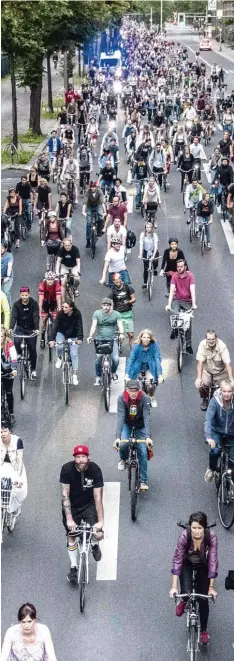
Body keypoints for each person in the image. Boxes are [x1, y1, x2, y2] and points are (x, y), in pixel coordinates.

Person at [169, 511, 218, 646]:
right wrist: (174, 587)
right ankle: (184, 601)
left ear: (205, 528)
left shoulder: (211, 537)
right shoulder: (184, 536)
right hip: (187, 563)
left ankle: (203, 631)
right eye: (194, 528)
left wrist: (211, 587)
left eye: (200, 528)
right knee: (186, 589)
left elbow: (213, 562)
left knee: (203, 599)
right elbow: (177, 560)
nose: (197, 532)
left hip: (203, 564)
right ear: (190, 527)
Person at [59, 445, 104, 583]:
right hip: (73, 505)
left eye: (83, 457)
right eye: (78, 457)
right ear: (74, 459)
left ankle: (95, 544)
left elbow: (98, 497)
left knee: (97, 533)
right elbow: (65, 495)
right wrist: (69, 519)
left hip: (89, 504)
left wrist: (100, 521)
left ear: (88, 457)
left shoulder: (95, 470)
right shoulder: (66, 469)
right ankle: (74, 567)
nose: (80, 460)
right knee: (71, 534)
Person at [113, 379, 153, 491]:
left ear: (139, 390)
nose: (134, 393)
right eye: (131, 390)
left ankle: (143, 481)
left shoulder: (145, 398)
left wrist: (148, 437)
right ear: (127, 390)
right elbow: (120, 417)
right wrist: (117, 438)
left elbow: (147, 417)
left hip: (141, 425)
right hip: (127, 424)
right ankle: (124, 459)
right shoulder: (121, 398)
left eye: (136, 390)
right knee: (123, 445)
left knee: (143, 451)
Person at [87, 297, 124, 386]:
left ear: (111, 306)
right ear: (101, 306)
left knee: (115, 359)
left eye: (108, 305)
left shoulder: (117, 314)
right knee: (98, 358)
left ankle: (114, 373)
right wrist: (90, 336)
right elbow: (93, 326)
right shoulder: (97, 313)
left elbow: (120, 325)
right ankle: (98, 377)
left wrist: (122, 333)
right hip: (100, 339)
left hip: (112, 339)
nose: (106, 307)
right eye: (104, 305)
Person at [204, 380, 234, 482]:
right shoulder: (214, 402)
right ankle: (211, 468)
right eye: (224, 391)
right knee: (215, 450)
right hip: (217, 431)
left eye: (229, 391)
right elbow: (208, 420)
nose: (226, 394)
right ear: (221, 391)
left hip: (232, 433)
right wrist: (208, 437)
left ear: (232, 391)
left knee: (232, 462)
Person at [195, 330, 233, 410]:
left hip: (221, 373)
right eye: (209, 339)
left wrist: (231, 379)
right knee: (201, 386)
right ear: (206, 339)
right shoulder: (202, 345)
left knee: (227, 389)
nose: (211, 341)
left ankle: (228, 404)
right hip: (207, 372)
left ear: (216, 338)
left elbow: (228, 364)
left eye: (213, 339)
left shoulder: (222, 346)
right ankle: (204, 398)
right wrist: (199, 378)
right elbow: (200, 362)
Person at [125, 329, 163, 407]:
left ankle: (152, 397)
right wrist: (126, 374)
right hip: (137, 370)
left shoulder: (154, 346)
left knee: (151, 385)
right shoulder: (136, 347)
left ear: (150, 339)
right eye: (144, 337)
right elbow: (130, 360)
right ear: (141, 338)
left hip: (150, 369)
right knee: (137, 387)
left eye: (148, 337)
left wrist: (160, 375)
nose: (146, 339)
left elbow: (157, 360)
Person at [166, 259, 197, 352]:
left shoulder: (190, 276)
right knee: (174, 313)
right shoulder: (175, 276)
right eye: (178, 267)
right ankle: (175, 329)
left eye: (181, 266)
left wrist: (194, 304)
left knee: (188, 323)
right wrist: (168, 304)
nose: (179, 268)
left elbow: (192, 290)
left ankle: (188, 344)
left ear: (185, 267)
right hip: (177, 300)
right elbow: (171, 291)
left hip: (188, 302)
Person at [50, 300, 83, 386]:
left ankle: (75, 375)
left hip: (73, 335)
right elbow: (55, 326)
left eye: (66, 307)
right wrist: (52, 339)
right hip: (61, 333)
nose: (64, 309)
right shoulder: (60, 314)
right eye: (63, 307)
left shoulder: (77, 313)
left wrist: (80, 338)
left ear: (71, 308)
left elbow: (79, 325)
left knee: (74, 354)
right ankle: (60, 358)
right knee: (59, 346)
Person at [10, 287, 39, 380]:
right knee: (17, 342)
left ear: (29, 295)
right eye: (22, 295)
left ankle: (33, 369)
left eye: (26, 295)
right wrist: (11, 328)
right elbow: (13, 317)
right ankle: (19, 354)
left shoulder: (34, 304)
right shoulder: (16, 305)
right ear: (20, 295)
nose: (24, 297)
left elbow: (36, 316)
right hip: (20, 328)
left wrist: (37, 328)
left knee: (32, 349)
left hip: (31, 329)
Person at [1, 420, 27, 520]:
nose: (3, 434)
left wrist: (18, 477)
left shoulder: (18, 441)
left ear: (10, 431)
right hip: (2, 466)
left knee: (18, 489)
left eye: (5, 431)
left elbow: (20, 459)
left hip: (14, 467)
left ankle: (15, 507)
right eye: (1, 432)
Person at [108, 273, 136, 349]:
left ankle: (133, 353)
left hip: (127, 313)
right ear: (113, 281)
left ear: (121, 280)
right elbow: (110, 302)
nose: (118, 283)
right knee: (114, 333)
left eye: (119, 281)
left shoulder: (127, 287)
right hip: (117, 314)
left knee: (131, 335)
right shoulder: (112, 290)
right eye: (116, 282)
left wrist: (129, 302)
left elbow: (134, 298)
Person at [38, 271, 62, 349]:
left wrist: (60, 309)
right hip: (45, 302)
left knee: (55, 320)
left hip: (53, 302)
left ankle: (54, 336)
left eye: (52, 279)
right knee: (43, 319)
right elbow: (41, 299)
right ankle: (42, 337)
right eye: (48, 279)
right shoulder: (42, 285)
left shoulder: (57, 285)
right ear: (46, 279)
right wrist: (40, 308)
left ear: (54, 279)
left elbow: (58, 298)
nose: (50, 281)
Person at [1, 327, 17, 425]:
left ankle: (11, 413)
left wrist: (14, 369)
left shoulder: (9, 344)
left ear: (5, 336)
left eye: (1, 336)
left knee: (9, 392)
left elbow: (14, 357)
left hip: (7, 369)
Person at [82, 181, 105, 247]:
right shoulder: (88, 192)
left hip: (98, 206)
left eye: (94, 187)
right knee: (89, 224)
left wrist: (105, 211)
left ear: (96, 187)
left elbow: (102, 202)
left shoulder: (99, 191)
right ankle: (88, 240)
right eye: (91, 187)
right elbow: (85, 203)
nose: (92, 188)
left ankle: (99, 231)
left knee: (101, 218)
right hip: (90, 207)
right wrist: (83, 212)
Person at [139, 222, 159, 288]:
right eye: (147, 227)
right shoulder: (142, 235)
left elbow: (156, 246)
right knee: (146, 268)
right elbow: (141, 245)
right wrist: (140, 254)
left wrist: (153, 255)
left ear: (152, 228)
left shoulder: (155, 235)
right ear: (145, 228)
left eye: (149, 227)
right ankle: (145, 283)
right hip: (146, 251)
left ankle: (155, 268)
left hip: (153, 251)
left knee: (155, 261)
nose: (148, 229)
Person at [1, 242, 13, 307]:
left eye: (2, 248)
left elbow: (9, 266)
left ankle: (9, 307)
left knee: (5, 291)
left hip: (6, 277)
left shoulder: (9, 256)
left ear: (5, 249)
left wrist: (8, 276)